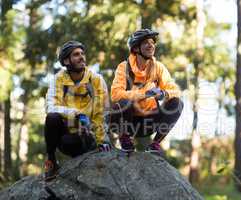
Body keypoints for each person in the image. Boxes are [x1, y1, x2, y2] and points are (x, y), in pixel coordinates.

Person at [44, 41, 111, 181]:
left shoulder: (96, 80)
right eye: (76, 54)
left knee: (70, 142)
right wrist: (75, 113)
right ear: (66, 61)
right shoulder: (58, 79)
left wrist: (102, 141)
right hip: (66, 129)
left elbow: (101, 113)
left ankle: (84, 162)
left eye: (82, 54)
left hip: (88, 134)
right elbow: (50, 106)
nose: (81, 57)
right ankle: (51, 161)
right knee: (52, 118)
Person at [110, 29, 183, 155]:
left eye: (152, 42)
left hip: (150, 122)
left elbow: (175, 89)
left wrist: (164, 93)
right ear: (136, 48)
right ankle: (125, 140)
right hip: (129, 122)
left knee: (177, 103)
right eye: (145, 43)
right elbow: (116, 94)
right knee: (122, 102)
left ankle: (155, 144)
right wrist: (145, 94)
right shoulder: (124, 67)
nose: (151, 45)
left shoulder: (158, 67)